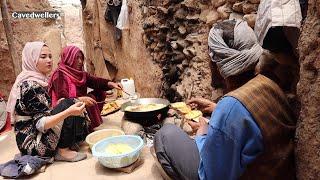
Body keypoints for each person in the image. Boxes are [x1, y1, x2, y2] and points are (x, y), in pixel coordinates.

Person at [154, 20, 296, 180]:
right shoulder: (269, 83)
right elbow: (252, 119)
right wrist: (216, 108)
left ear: (216, 63)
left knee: (165, 134)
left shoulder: (230, 107)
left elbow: (213, 174)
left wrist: (202, 134)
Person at [6, 41, 88, 162]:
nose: (49, 60)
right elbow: (40, 124)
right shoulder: (31, 86)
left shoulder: (38, 80)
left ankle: (66, 144)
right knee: (68, 105)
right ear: (32, 60)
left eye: (50, 56)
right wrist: (68, 111)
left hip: (34, 133)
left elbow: (40, 110)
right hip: (32, 143)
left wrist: (61, 105)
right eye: (43, 57)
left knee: (68, 102)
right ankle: (62, 151)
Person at [48, 45, 122, 132]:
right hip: (67, 110)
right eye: (77, 58)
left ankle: (91, 123)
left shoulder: (80, 73)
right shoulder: (59, 75)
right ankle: (80, 129)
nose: (80, 61)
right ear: (68, 58)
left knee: (100, 92)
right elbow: (63, 101)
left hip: (80, 102)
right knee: (88, 99)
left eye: (81, 58)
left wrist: (111, 84)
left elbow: (95, 81)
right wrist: (80, 100)